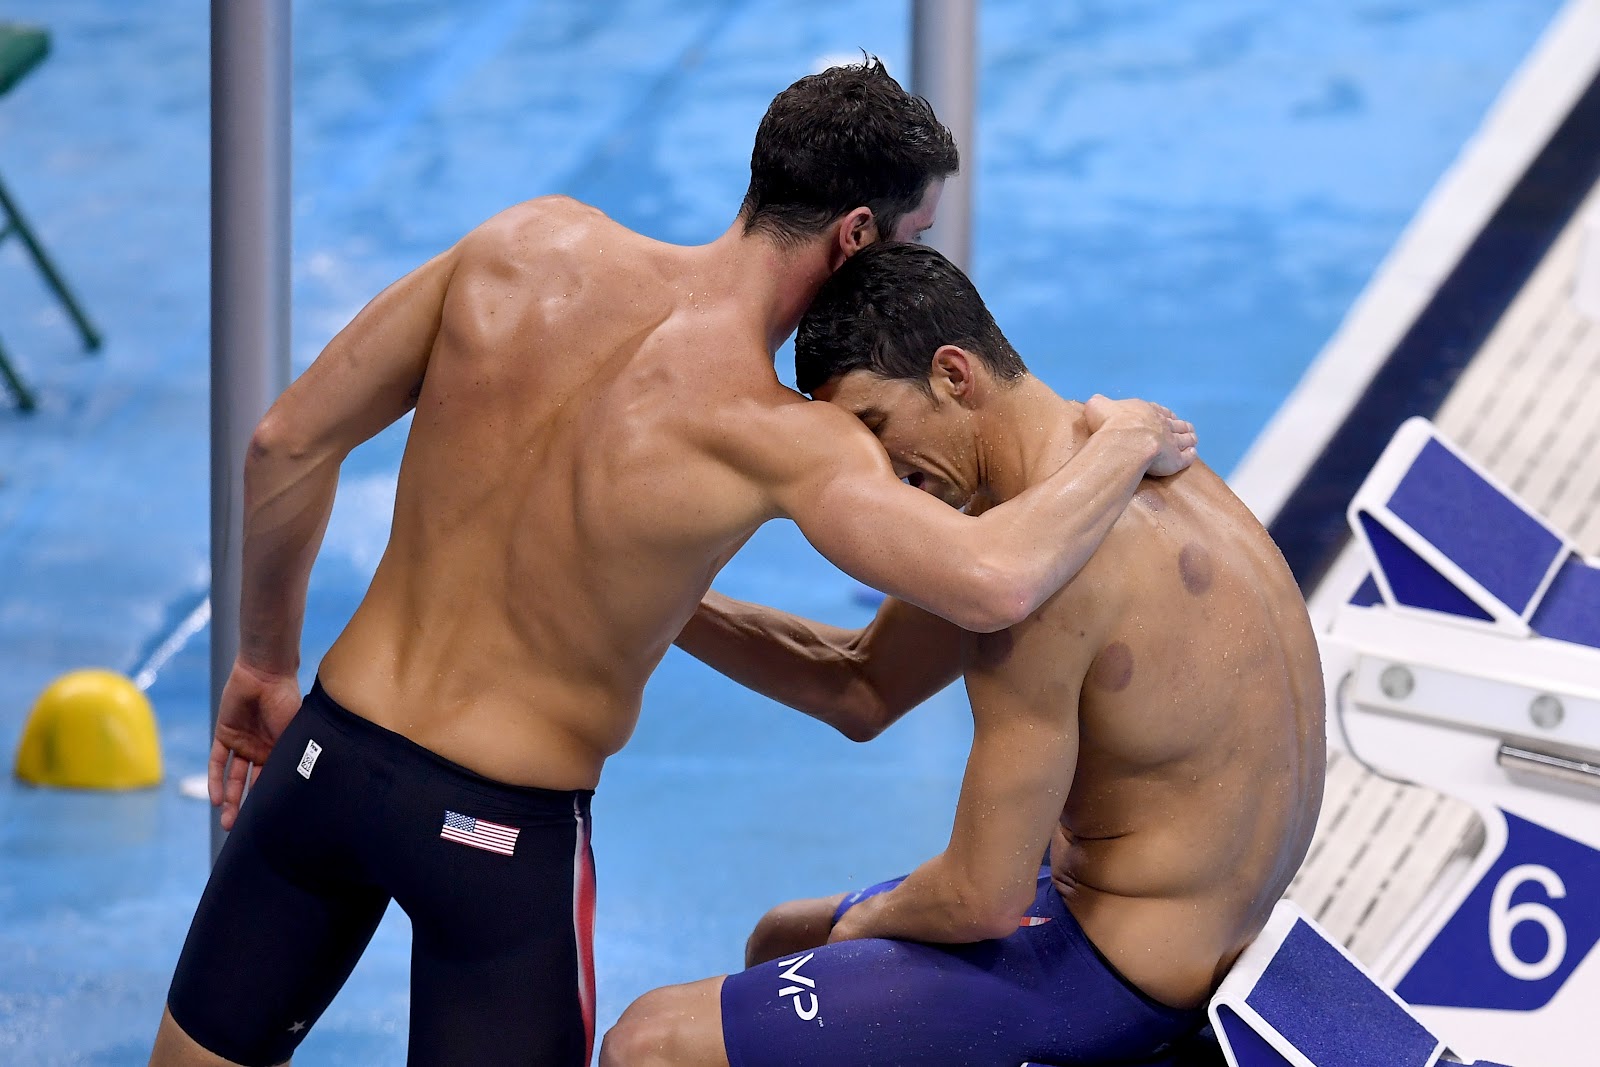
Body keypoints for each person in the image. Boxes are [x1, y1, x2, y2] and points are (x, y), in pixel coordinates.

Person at [150, 61, 1195, 1067]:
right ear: (856, 235)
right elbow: (995, 578)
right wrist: (1120, 438)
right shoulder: (783, 434)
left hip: (326, 754)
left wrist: (263, 665)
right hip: (497, 838)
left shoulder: (523, 243)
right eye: (911, 237)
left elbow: (284, 444)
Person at [600, 242, 1324, 1067]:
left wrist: (866, 921)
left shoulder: (1039, 587)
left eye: (875, 427)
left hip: (1116, 970)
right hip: (1209, 917)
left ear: (952, 373)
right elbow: (862, 685)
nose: (876, 472)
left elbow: (984, 898)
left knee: (648, 1042)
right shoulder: (1134, 462)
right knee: (780, 938)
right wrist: (657, 594)